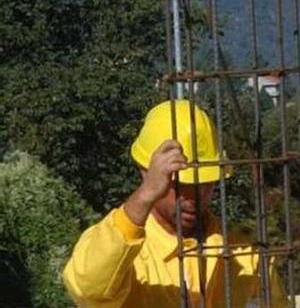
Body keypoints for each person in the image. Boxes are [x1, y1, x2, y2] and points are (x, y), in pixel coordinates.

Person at [63, 100, 286, 307]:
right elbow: (88, 289)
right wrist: (143, 197)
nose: (193, 197)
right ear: (146, 174)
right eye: (179, 184)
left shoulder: (246, 256)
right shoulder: (125, 253)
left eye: (204, 183)